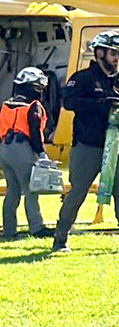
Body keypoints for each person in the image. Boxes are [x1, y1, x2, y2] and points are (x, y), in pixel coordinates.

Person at [53, 31, 119, 253]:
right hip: (86, 146)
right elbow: (69, 102)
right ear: (99, 53)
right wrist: (100, 104)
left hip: (112, 147)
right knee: (77, 193)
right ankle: (60, 240)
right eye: (113, 53)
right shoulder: (82, 79)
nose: (117, 58)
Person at [0, 67, 55, 240]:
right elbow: (35, 131)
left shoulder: (6, 105)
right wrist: (42, 153)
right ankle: (37, 228)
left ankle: (9, 230)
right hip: (22, 148)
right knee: (31, 190)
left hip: (5, 149)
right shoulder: (33, 106)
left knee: (12, 191)